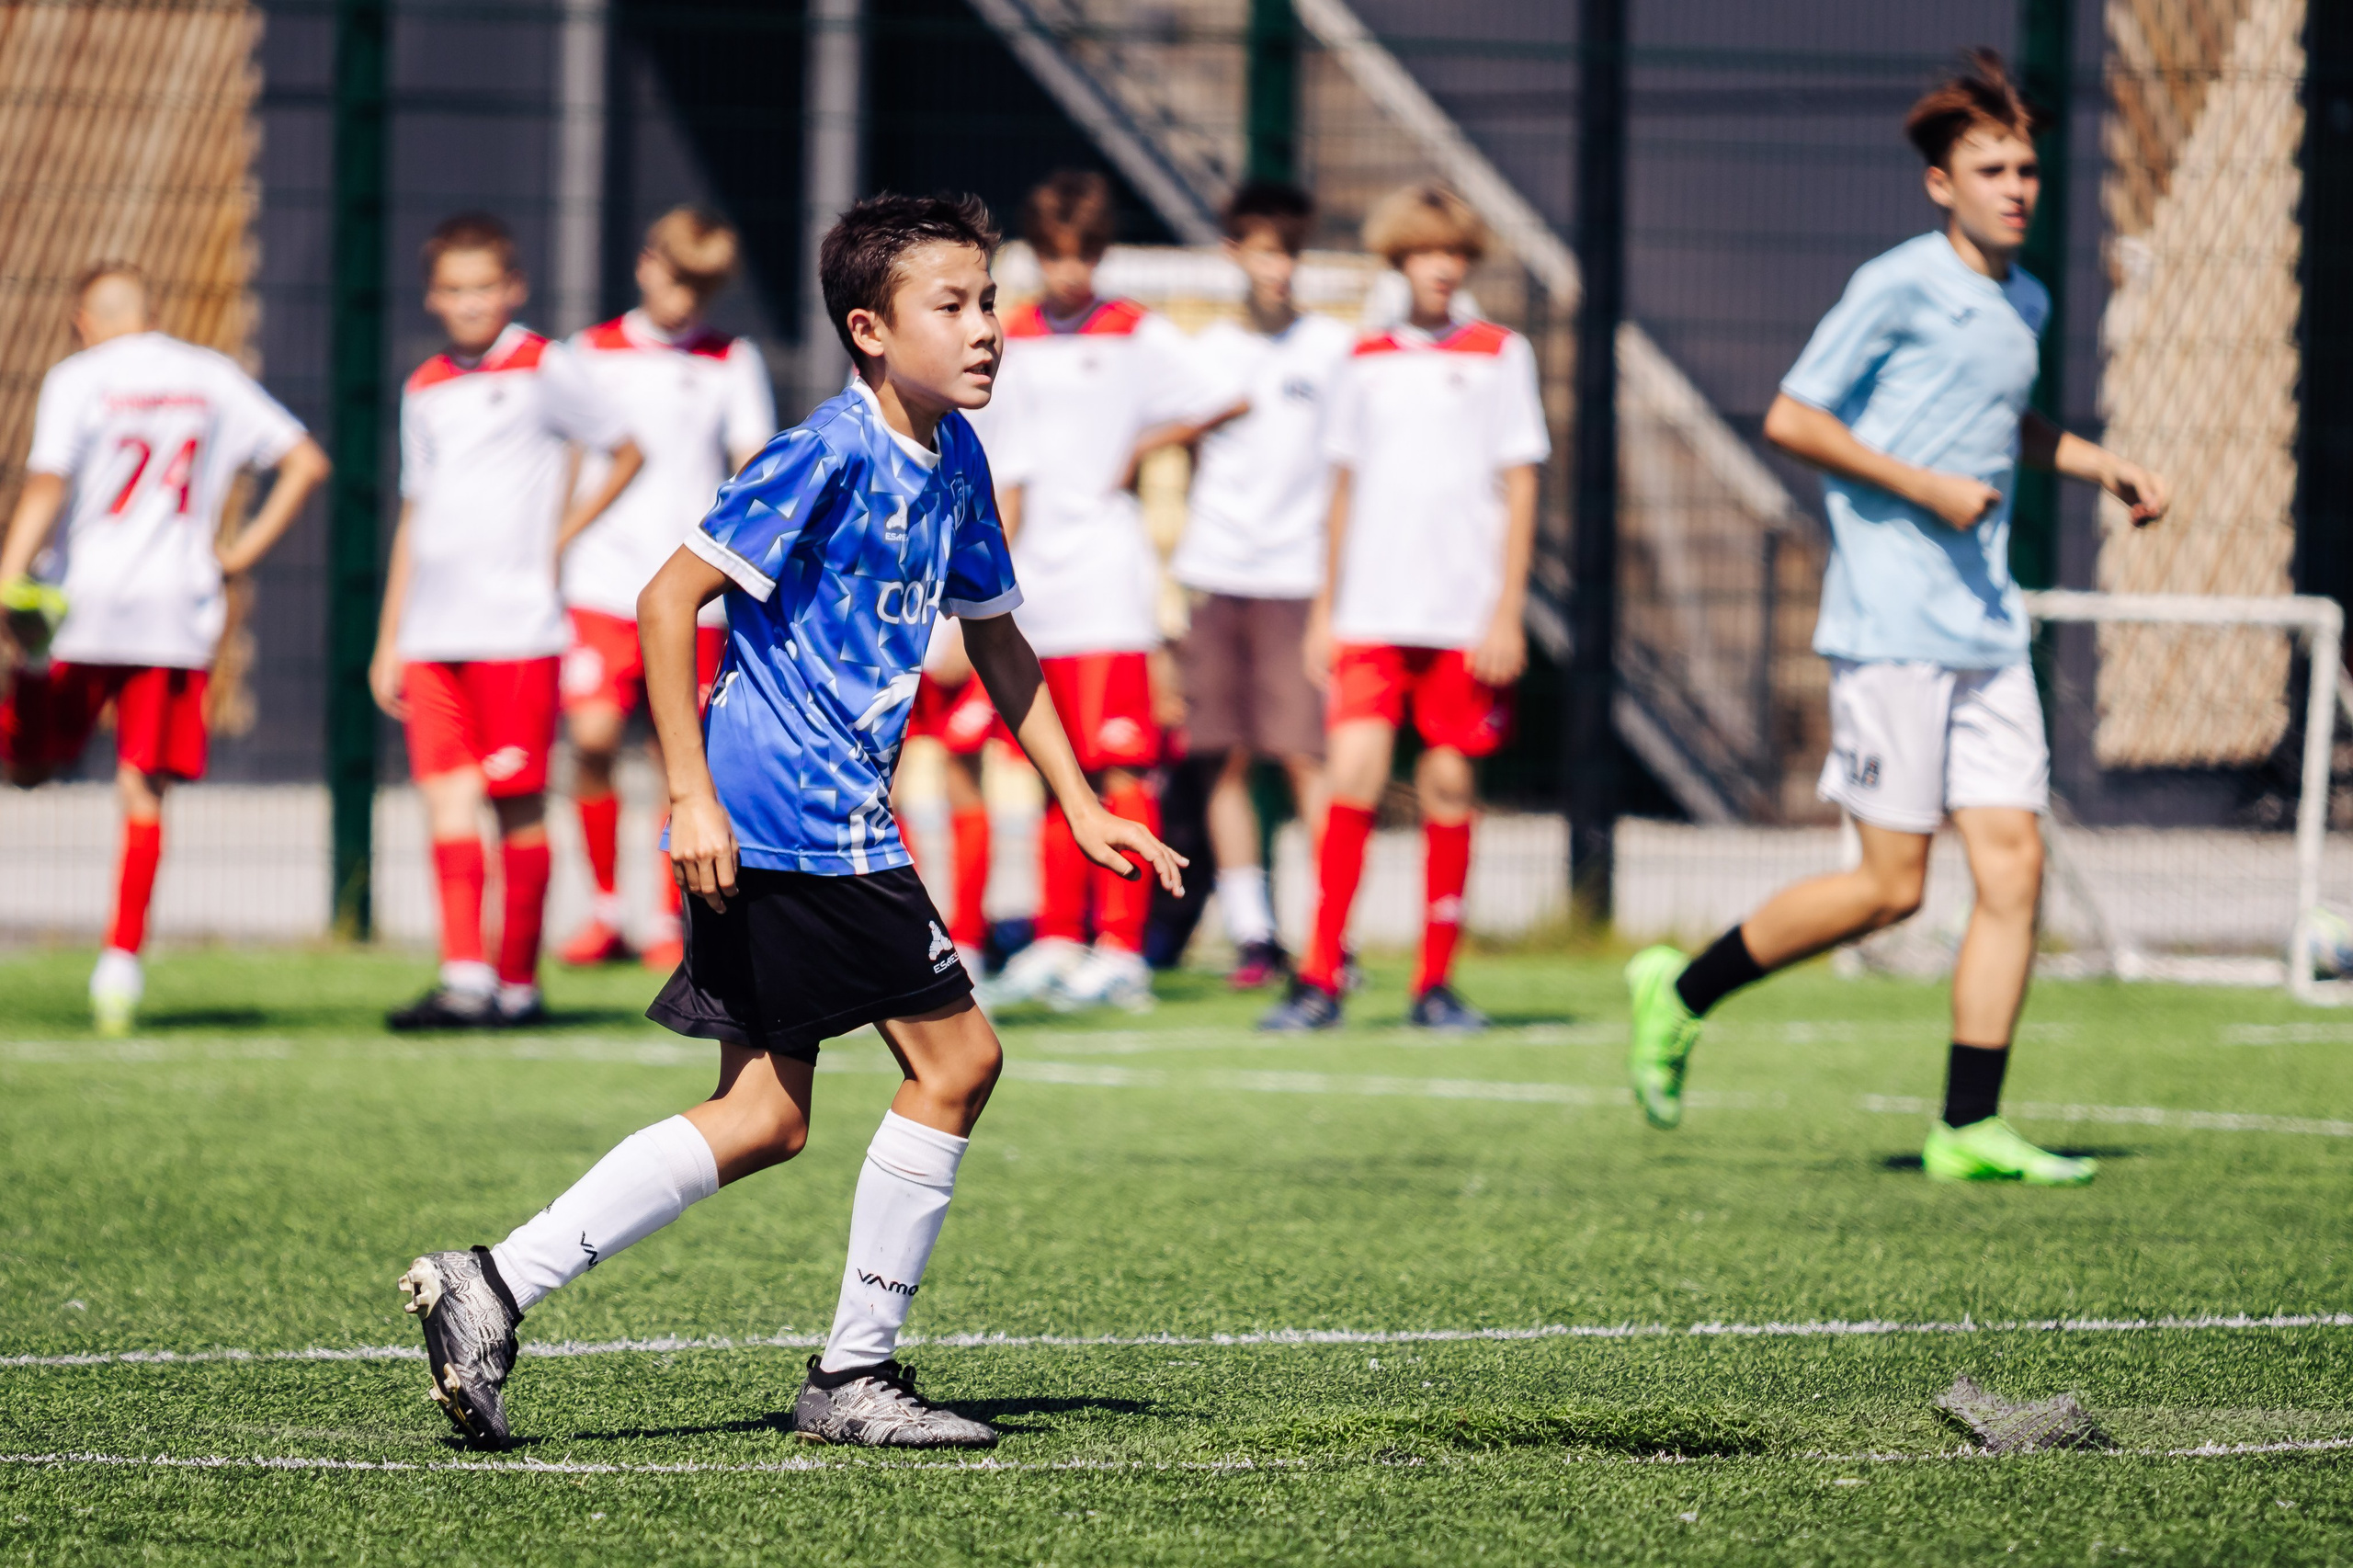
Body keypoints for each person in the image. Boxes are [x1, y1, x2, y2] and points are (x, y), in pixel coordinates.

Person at [393, 192, 1186, 1451]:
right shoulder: (828, 447)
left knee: (765, 1113)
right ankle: (854, 1374)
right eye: (955, 305)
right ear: (869, 328)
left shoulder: (957, 456)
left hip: (799, 816)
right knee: (959, 1061)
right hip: (797, 814)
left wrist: (1081, 800)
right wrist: (690, 790)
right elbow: (667, 600)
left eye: (989, 301)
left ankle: (493, 1284)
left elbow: (995, 638)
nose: (988, 329)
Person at [1621, 51, 2171, 1185]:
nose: (2016, 187)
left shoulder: (2026, 296)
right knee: (1889, 887)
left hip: (1983, 624)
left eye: (2024, 167)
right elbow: (1791, 415)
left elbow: (2002, 423)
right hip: (1888, 623)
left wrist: (2097, 464)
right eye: (1990, 168)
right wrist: (1919, 486)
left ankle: (1967, 1124)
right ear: (1940, 183)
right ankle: (1680, 990)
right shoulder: (1895, 283)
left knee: (2010, 871)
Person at [0, 264, 330, 1035]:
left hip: (79, 612)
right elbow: (305, 462)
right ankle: (121, 966)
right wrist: (239, 553)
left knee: (25, 766)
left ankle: (116, 962)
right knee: (142, 791)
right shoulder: (209, 374)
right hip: (175, 616)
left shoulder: (79, 377)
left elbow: (48, 484)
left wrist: (9, 574)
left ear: (83, 318)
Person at [1259, 184, 1548, 1033]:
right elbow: (1341, 486)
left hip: (1463, 616)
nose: (1440, 268)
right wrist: (1324, 610)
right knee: (1350, 775)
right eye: (1425, 252)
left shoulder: (1502, 353)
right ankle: (1321, 976)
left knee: (1451, 785)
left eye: (1453, 254)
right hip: (1371, 612)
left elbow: (1521, 485)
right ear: (1399, 261)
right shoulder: (1364, 355)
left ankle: (1435, 984)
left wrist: (1506, 611)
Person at [371, 212, 644, 1029]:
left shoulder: (544, 366)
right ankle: (464, 978)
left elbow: (625, 450)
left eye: (484, 287)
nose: (469, 303)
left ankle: (518, 986)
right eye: (453, 289)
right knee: (445, 800)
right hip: (432, 636)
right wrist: (390, 638)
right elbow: (415, 515)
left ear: (513, 288)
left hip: (516, 631)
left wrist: (560, 535)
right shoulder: (422, 387)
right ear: (431, 296)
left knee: (516, 801)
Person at [970, 169, 1229, 1012]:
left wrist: (1143, 445)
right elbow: (999, 459)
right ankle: (1055, 936)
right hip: (1036, 584)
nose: (1068, 270)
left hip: (1111, 582)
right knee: (1053, 768)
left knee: (1122, 770)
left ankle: (1122, 946)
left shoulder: (1137, 331)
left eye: (1081, 254)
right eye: (1053, 254)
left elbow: (1224, 396)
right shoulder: (1009, 335)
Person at [555, 207, 775, 973]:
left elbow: (753, 468)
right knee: (589, 740)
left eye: (702, 287)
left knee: (675, 753)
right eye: (678, 278)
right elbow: (565, 463)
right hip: (599, 583)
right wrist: (551, 553)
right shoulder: (587, 353)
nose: (686, 299)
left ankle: (657, 916)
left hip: (688, 594)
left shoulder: (729, 359)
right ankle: (603, 907)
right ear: (646, 263)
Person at [1168, 179, 1351, 989]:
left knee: (1308, 757)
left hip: (1298, 576)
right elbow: (1168, 439)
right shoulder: (1205, 354)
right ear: (1234, 255)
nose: (1278, 268)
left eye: (1290, 252)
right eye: (1264, 251)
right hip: (1215, 571)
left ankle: (1330, 941)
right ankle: (1254, 936)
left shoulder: (1331, 349)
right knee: (1225, 759)